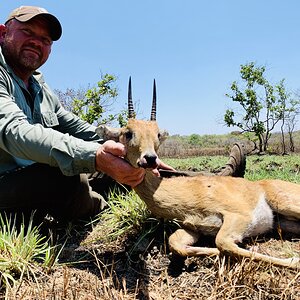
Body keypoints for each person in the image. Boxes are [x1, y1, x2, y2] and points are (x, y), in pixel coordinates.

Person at [0, 6, 245, 224]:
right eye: (28, 33)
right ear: (3, 33)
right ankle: (100, 209)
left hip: (34, 178)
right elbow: (15, 132)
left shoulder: (38, 86)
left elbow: (74, 126)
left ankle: (217, 180)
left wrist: (127, 146)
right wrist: (96, 156)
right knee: (65, 178)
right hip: (9, 183)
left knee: (130, 163)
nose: (37, 42)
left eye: (45, 39)